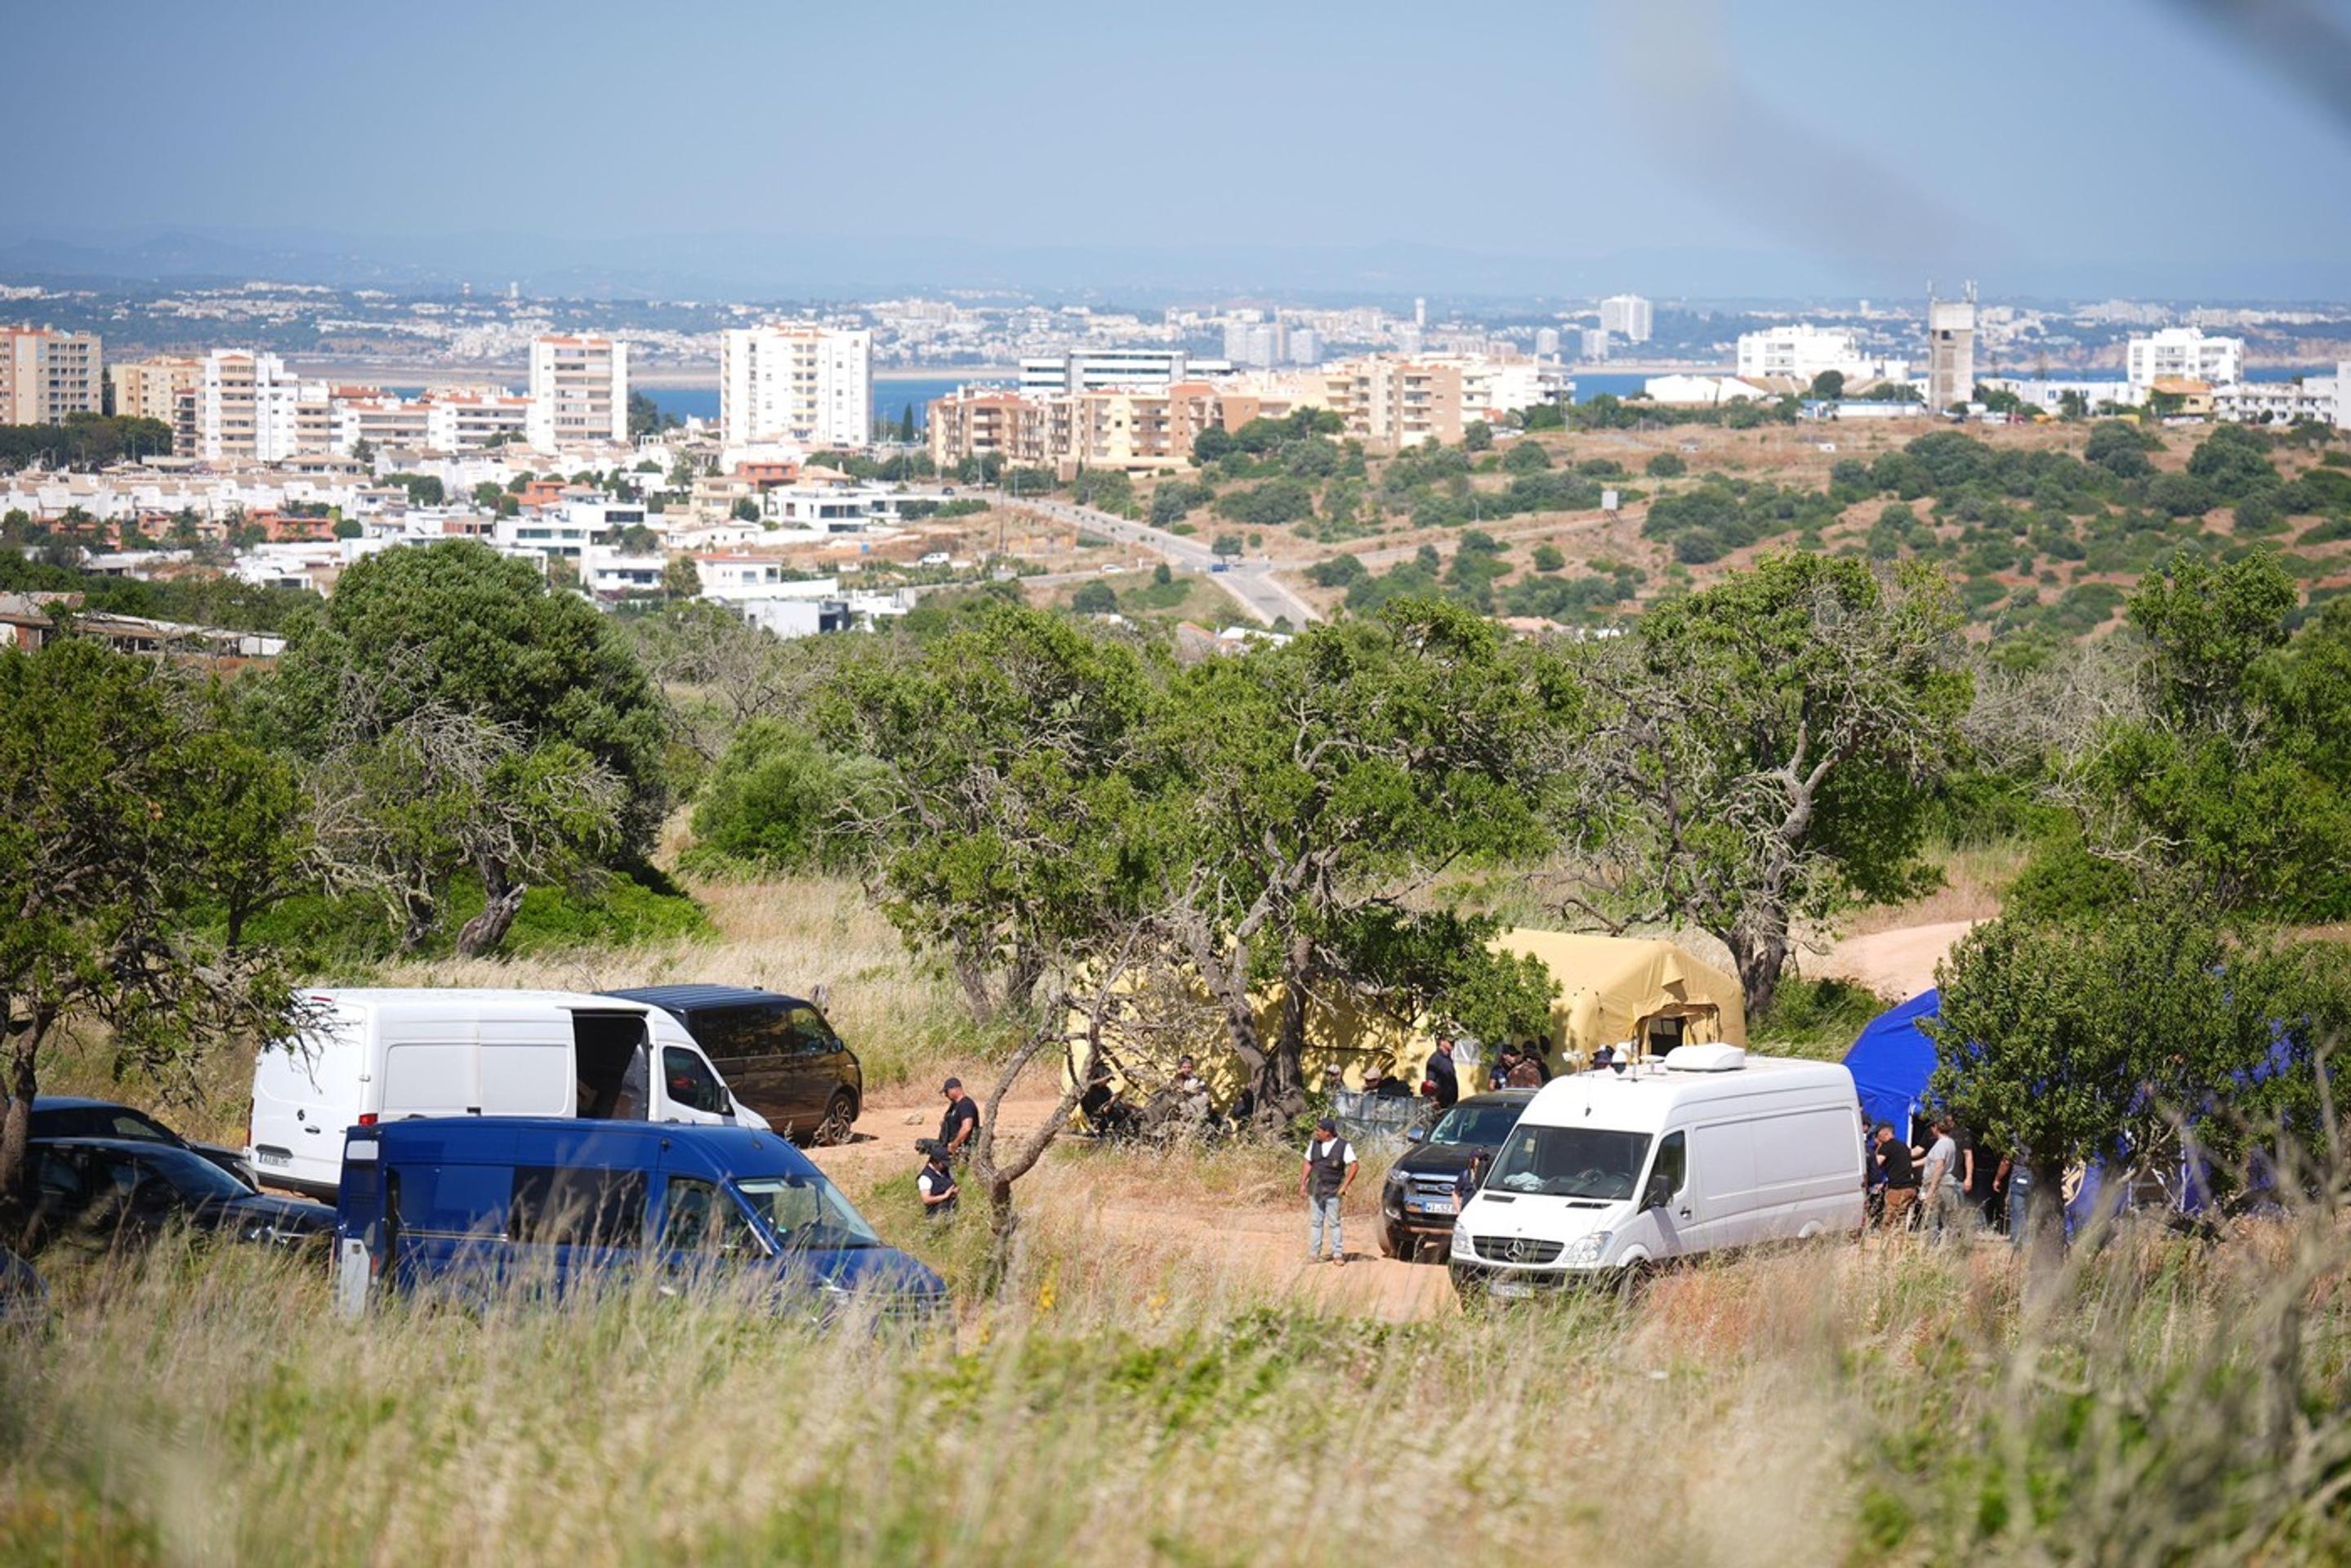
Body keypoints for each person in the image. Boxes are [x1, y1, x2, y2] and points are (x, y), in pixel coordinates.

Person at [1300, 1116, 1358, 1265]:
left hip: (1333, 1191)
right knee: (1316, 1223)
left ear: (1328, 1132)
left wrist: (1345, 1186)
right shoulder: (1314, 1144)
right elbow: (1308, 1163)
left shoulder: (1344, 1146)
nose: (1316, 1133)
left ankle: (1337, 1254)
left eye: (1319, 1130)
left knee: (1334, 1223)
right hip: (1315, 1190)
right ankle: (1313, 1254)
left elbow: (1354, 1166)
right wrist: (1303, 1183)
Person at [1919, 1118, 1962, 1237]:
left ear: (1936, 1128)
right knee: (1949, 1216)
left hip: (1939, 1184)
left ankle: (1932, 1246)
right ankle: (1952, 1245)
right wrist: (1911, 1163)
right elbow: (1930, 1160)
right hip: (1947, 1182)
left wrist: (1931, 1189)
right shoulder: (1950, 1142)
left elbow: (1939, 1165)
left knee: (1932, 1217)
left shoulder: (1941, 1144)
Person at [1873, 1124, 1918, 1231]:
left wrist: (1878, 1149)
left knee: (1888, 1222)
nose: (1876, 1137)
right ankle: (1900, 1244)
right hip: (1910, 1188)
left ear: (1886, 1133)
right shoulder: (1904, 1146)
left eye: (1878, 1134)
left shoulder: (1886, 1146)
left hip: (1896, 1189)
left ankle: (1886, 1245)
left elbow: (1877, 1163)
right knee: (1901, 1220)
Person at [938, 1077, 979, 1160]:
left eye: (947, 1091)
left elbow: (967, 1127)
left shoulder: (966, 1104)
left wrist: (955, 1144)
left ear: (955, 1089)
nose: (946, 1095)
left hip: (962, 1147)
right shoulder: (955, 1105)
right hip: (949, 1144)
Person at [917, 1145, 958, 1218]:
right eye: (943, 1163)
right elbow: (926, 1199)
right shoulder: (925, 1178)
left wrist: (954, 1191)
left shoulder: (945, 1171)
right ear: (935, 1162)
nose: (946, 1166)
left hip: (951, 1212)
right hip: (936, 1218)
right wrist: (945, 1196)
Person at [1425, 1038, 1460, 1109]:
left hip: (1450, 1105)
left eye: (1454, 1042)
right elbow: (1430, 1085)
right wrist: (1436, 1106)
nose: (1453, 1044)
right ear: (1441, 1041)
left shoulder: (1448, 1059)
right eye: (1450, 1041)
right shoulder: (1435, 1059)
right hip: (1440, 1107)